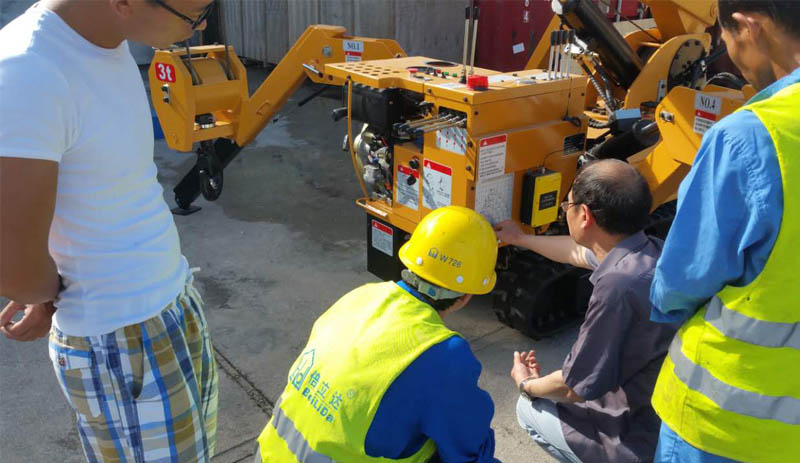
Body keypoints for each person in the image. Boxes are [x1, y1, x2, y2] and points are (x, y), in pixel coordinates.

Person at [0, 1, 218, 461]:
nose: (199, 26)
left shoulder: (102, 40)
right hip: (122, 343)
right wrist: (44, 291)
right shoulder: (27, 72)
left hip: (168, 306)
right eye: (194, 13)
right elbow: (11, 265)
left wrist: (49, 288)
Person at [648, 0, 800, 461]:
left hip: (725, 424)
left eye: (725, 38)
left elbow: (682, 281)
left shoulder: (751, 137)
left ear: (750, 26)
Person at [255, 206, 499, 463]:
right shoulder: (446, 356)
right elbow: (469, 447)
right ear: (467, 295)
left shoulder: (363, 295)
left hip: (269, 454)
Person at [494, 159, 679, 463]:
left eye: (566, 204)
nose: (564, 210)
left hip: (635, 434)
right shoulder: (649, 252)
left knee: (528, 407)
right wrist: (521, 239)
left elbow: (574, 387)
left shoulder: (617, 287)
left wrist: (526, 383)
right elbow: (578, 252)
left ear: (584, 215)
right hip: (663, 407)